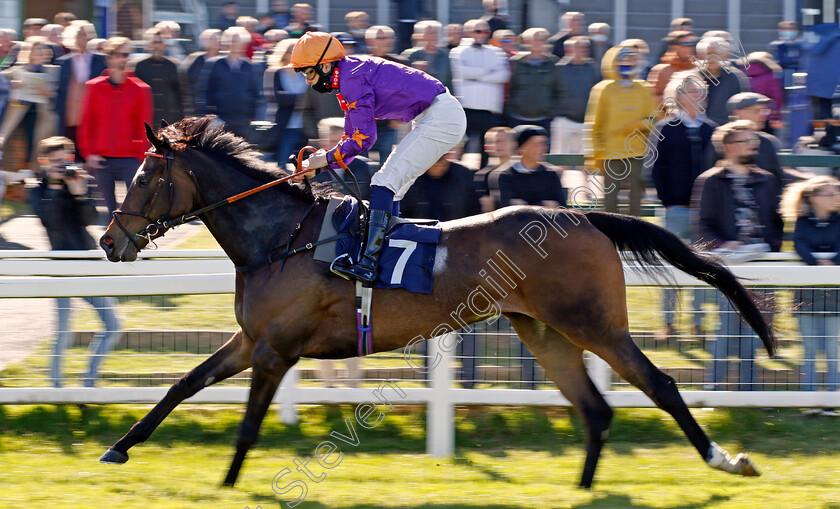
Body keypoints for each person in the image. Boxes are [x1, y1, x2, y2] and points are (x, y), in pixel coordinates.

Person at [286, 32, 466, 285]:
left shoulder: (351, 78)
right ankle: (383, 259)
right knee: (392, 189)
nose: (307, 81)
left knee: (383, 183)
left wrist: (326, 159)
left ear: (325, 65)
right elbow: (352, 138)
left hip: (440, 117)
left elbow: (363, 139)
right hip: (433, 116)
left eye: (308, 73)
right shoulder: (346, 76)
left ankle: (370, 263)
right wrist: (320, 167)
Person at [692, 121, 783, 391]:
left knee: (756, 328)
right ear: (729, 147)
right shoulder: (710, 180)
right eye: (745, 141)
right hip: (729, 265)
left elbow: (777, 222)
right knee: (726, 327)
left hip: (763, 263)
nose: (753, 145)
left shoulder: (767, 179)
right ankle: (715, 387)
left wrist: (772, 246)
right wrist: (724, 244)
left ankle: (749, 389)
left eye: (753, 141)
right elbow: (703, 225)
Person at [31, 136, 122, 388]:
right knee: (63, 332)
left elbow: (91, 218)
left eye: (66, 160)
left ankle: (89, 381)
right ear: (44, 162)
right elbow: (51, 222)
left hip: (87, 263)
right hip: (61, 267)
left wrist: (80, 195)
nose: (63, 166)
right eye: (56, 162)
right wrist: (56, 189)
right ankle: (56, 388)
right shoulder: (37, 190)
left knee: (113, 325)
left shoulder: (78, 181)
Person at [650, 71, 716, 339]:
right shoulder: (666, 128)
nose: (698, 96)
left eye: (701, 92)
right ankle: (669, 322)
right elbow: (656, 168)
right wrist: (668, 201)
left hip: (704, 213)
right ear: (678, 97)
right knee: (671, 267)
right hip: (676, 209)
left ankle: (698, 323)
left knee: (701, 267)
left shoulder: (711, 129)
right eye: (691, 91)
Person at [78, 36, 152, 216]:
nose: (123, 58)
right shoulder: (94, 87)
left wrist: (139, 156)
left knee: (135, 209)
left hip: (129, 158)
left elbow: (144, 125)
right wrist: (89, 154)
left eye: (126, 54)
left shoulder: (141, 89)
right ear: (109, 57)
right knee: (110, 212)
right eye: (118, 54)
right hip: (101, 158)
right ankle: (112, 243)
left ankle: (138, 242)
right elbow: (87, 122)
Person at [780, 176, 840, 396]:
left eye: (837, 192)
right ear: (813, 198)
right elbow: (799, 244)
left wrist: (833, 263)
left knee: (832, 348)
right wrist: (817, 263)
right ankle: (810, 395)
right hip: (806, 295)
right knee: (810, 348)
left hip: (835, 296)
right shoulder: (801, 221)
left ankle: (833, 396)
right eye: (830, 193)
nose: (836, 197)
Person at [584, 44, 656, 216]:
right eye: (623, 60)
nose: (627, 65)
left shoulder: (643, 88)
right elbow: (595, 123)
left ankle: (635, 233)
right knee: (610, 197)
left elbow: (653, 118)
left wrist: (639, 126)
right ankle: (610, 234)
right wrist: (595, 153)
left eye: (632, 60)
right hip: (611, 151)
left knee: (637, 196)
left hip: (637, 151)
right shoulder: (603, 89)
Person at [450, 18, 510, 169]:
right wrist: (489, 72)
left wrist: (475, 75)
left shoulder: (496, 52)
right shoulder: (458, 51)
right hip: (466, 109)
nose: (482, 34)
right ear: (468, 32)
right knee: (460, 147)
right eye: (478, 31)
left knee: (486, 151)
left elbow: (503, 75)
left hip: (489, 110)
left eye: (486, 31)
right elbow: (463, 72)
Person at [0, 37, 60, 165]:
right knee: (15, 141)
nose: (39, 53)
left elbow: (58, 92)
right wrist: (11, 84)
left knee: (38, 142)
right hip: (18, 109)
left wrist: (48, 93)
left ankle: (34, 169)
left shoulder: (53, 70)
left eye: (41, 50)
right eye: (36, 50)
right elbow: (3, 80)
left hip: (41, 112)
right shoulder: (17, 69)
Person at [199, 27, 259, 138]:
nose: (233, 44)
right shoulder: (215, 64)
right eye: (230, 41)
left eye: (236, 41)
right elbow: (205, 91)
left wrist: (252, 117)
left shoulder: (248, 66)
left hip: (242, 122)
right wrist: (209, 118)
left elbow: (255, 93)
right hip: (220, 120)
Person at [488, 124, 566, 208]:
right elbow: (508, 211)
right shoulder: (504, 175)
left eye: (544, 143)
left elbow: (561, 208)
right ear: (522, 148)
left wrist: (524, 206)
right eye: (536, 144)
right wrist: (545, 205)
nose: (542, 148)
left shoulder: (551, 173)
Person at [54, 20, 106, 143]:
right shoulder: (64, 61)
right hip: (70, 117)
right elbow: (60, 90)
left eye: (86, 34)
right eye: (80, 34)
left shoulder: (101, 60)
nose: (84, 37)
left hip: (93, 115)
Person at [506, 28, 559, 139]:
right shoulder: (516, 62)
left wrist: (552, 112)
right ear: (528, 42)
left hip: (544, 118)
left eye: (543, 40)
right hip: (518, 117)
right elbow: (510, 88)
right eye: (536, 40)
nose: (539, 43)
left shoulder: (553, 63)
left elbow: (558, 89)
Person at [365, 25, 408, 163]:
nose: (387, 41)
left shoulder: (401, 64)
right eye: (382, 38)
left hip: (389, 124)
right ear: (370, 41)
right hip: (364, 124)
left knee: (387, 163)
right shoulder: (361, 63)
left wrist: (400, 117)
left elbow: (406, 92)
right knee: (361, 161)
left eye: (389, 38)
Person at [553, 36, 599, 156]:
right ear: (569, 50)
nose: (581, 50)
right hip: (564, 120)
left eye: (584, 47)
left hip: (587, 122)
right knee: (560, 158)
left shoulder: (593, 68)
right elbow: (552, 91)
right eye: (577, 47)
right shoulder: (559, 68)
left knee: (586, 161)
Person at [266, 38, 308, 164]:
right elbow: (279, 98)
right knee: (283, 162)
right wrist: (302, 98)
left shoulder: (305, 73)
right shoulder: (276, 73)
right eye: (290, 52)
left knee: (306, 164)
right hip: (286, 126)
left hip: (306, 126)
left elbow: (313, 98)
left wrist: (292, 97)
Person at [132, 27, 185, 125]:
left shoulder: (173, 65)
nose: (156, 46)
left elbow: (180, 95)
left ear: (164, 44)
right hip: (146, 118)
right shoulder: (140, 66)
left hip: (168, 119)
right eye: (153, 42)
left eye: (159, 42)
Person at [311, 117, 372, 198]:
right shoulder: (311, 168)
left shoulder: (361, 166)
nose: (336, 147)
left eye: (340, 143)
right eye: (332, 141)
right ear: (321, 143)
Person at [696, 35, 751, 126]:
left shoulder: (735, 78)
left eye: (715, 54)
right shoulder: (694, 76)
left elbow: (744, 106)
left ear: (724, 55)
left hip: (726, 129)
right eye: (708, 54)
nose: (711, 57)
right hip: (699, 128)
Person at [179, 29, 221, 116]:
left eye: (219, 38)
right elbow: (184, 83)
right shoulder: (194, 60)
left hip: (218, 109)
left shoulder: (223, 62)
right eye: (213, 38)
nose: (217, 41)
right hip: (196, 108)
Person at [646, 30, 696, 102]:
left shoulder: (697, 68)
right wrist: (676, 98)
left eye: (692, 44)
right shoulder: (661, 70)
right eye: (686, 44)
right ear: (674, 47)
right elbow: (650, 99)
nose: (690, 47)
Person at [474, 125, 515, 212]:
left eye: (502, 141)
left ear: (514, 143)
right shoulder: (482, 176)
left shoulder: (524, 170)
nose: (497, 145)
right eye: (492, 142)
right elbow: (487, 210)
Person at [401, 20, 451, 89]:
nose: (434, 36)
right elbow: (402, 81)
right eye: (430, 33)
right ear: (421, 36)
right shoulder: (409, 56)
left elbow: (450, 82)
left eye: (436, 33)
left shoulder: (446, 56)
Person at [769, 21, 802, 88]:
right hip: (783, 76)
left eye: (792, 29)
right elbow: (779, 60)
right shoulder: (777, 45)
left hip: (800, 76)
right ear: (780, 30)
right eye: (786, 29)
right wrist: (796, 60)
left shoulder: (801, 45)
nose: (789, 31)